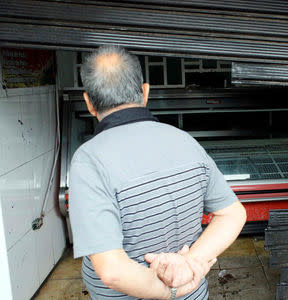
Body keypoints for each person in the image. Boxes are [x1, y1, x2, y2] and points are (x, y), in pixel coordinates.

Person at [69, 45, 247, 299]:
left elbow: (112, 272)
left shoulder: (88, 161)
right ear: (145, 91)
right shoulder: (186, 141)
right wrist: (190, 267)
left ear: (88, 102)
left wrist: (171, 290)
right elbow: (232, 214)